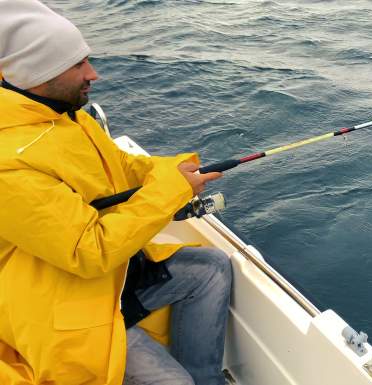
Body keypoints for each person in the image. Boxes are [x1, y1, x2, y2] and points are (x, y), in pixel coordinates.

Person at [0, 1, 232, 384]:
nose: (94, 73)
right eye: (78, 65)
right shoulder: (9, 164)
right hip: (62, 307)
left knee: (210, 268)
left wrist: (174, 171)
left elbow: (123, 169)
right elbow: (89, 250)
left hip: (113, 281)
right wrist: (169, 192)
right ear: (38, 73)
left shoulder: (61, 115)